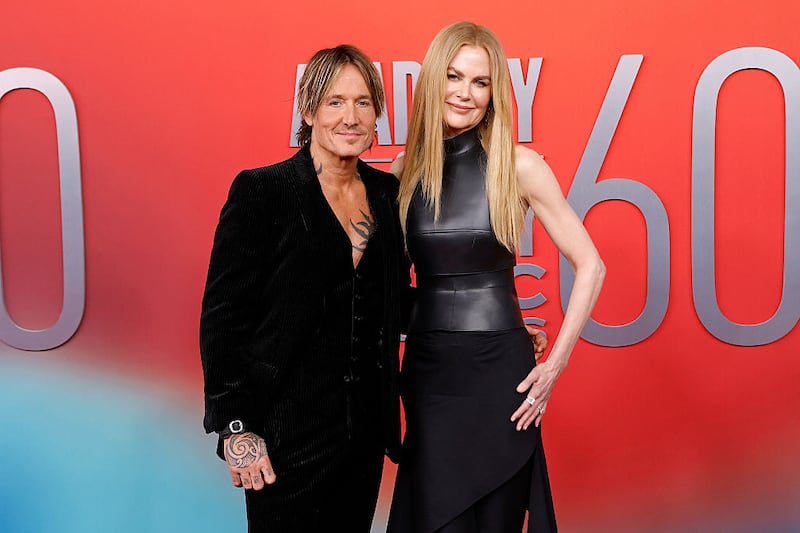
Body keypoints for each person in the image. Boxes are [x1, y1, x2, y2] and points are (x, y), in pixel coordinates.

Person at [387, 22, 606, 533]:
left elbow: (591, 265)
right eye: (453, 76)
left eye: (480, 82)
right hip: (429, 377)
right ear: (432, 80)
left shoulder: (519, 164)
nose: (464, 93)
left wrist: (553, 366)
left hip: (499, 377)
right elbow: (390, 292)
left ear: (494, 94)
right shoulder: (403, 170)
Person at [199, 44, 412, 532]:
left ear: (377, 114)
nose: (350, 117)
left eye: (363, 102)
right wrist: (236, 428)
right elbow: (223, 319)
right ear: (309, 110)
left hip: (363, 438)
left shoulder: (387, 194)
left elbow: (396, 303)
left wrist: (493, 322)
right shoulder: (262, 191)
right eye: (336, 101)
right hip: (282, 436)